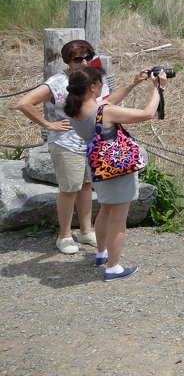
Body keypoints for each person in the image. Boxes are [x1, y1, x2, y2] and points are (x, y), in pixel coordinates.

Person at [14, 40, 151, 256]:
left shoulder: (93, 78)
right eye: (78, 59)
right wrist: (49, 125)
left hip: (91, 144)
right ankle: (65, 235)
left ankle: (87, 230)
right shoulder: (57, 82)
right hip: (65, 141)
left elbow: (104, 103)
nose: (84, 62)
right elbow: (24, 103)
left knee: (86, 186)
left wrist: (131, 85)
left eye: (87, 57)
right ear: (68, 61)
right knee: (69, 189)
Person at [63, 65, 166, 282]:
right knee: (118, 219)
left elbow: (106, 103)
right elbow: (147, 114)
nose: (103, 86)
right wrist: (158, 88)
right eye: (101, 83)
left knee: (106, 211)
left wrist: (133, 83)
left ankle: (101, 253)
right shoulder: (104, 111)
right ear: (92, 87)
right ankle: (113, 267)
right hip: (118, 168)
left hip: (99, 168)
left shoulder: (74, 109)